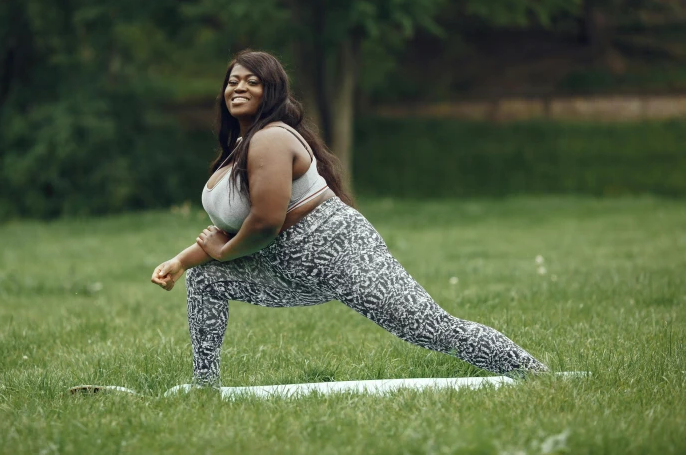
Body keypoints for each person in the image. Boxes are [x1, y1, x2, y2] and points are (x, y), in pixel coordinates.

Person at [151, 50, 547, 387]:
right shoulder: (239, 147)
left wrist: (224, 253)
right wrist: (183, 261)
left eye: (252, 81)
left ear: (271, 92)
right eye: (233, 81)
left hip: (341, 254)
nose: (238, 87)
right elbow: (230, 228)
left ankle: (538, 376)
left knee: (430, 328)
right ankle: (205, 387)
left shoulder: (271, 138)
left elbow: (267, 222)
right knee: (205, 279)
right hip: (289, 269)